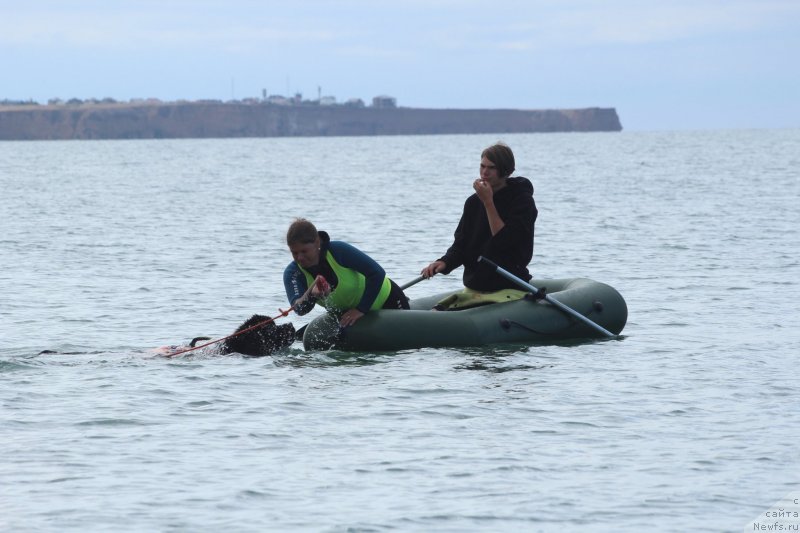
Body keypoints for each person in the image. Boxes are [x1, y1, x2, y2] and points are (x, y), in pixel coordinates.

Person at [421, 142, 537, 292]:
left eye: (491, 168)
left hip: (509, 282)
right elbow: (461, 244)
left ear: (506, 170)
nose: (484, 173)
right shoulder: (473, 202)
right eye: (482, 166)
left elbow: (505, 242)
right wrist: (445, 262)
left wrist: (488, 202)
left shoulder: (522, 201)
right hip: (476, 285)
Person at [284, 218, 409, 327]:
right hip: (350, 317)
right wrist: (312, 295)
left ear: (317, 242)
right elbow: (299, 309)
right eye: (294, 253)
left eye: (304, 251)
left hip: (387, 299)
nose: (299, 258)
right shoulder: (292, 273)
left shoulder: (338, 251)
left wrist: (361, 309)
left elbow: (377, 273)